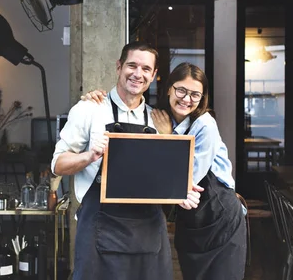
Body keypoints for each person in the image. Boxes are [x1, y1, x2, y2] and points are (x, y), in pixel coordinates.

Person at [52, 42, 202, 280]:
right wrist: (89, 156)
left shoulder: (159, 120)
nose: (137, 74)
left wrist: (182, 191)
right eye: (132, 65)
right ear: (119, 67)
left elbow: (166, 178)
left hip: (148, 234)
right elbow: (58, 164)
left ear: (153, 75)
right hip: (99, 228)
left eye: (145, 69)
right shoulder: (89, 110)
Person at [83, 62, 247, 280]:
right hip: (190, 217)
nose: (187, 99)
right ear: (169, 88)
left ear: (202, 98)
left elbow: (184, 179)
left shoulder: (205, 124)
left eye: (195, 95)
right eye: (181, 90)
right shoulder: (157, 116)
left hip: (221, 215)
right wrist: (94, 100)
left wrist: (167, 136)